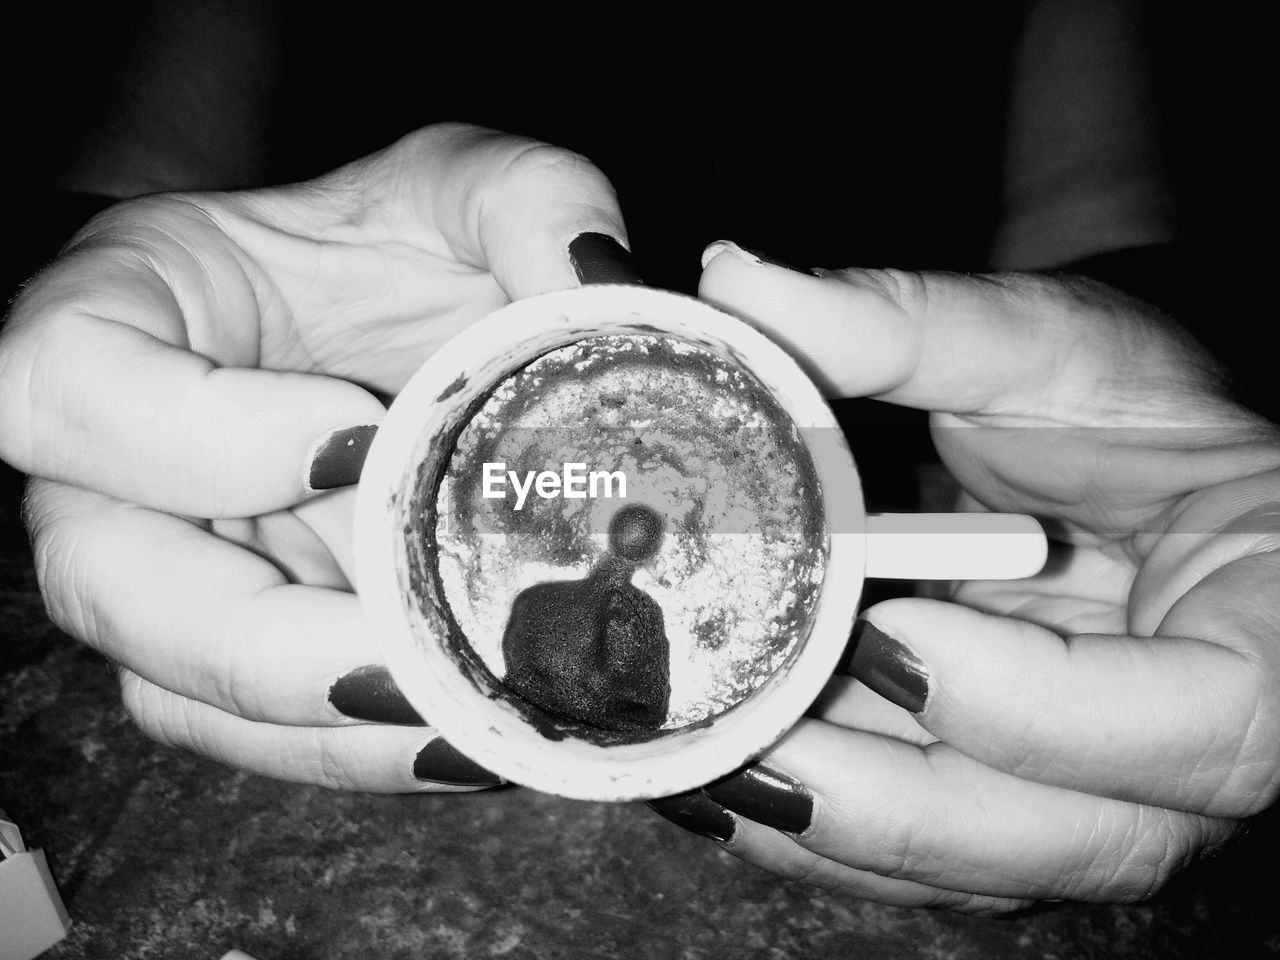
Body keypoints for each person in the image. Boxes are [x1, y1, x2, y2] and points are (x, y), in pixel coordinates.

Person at [1, 0, 1274, 915]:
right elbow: (157, 119)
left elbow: (1099, 184)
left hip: (908, 447)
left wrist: (1156, 413)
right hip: (385, 338)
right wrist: (127, 293)